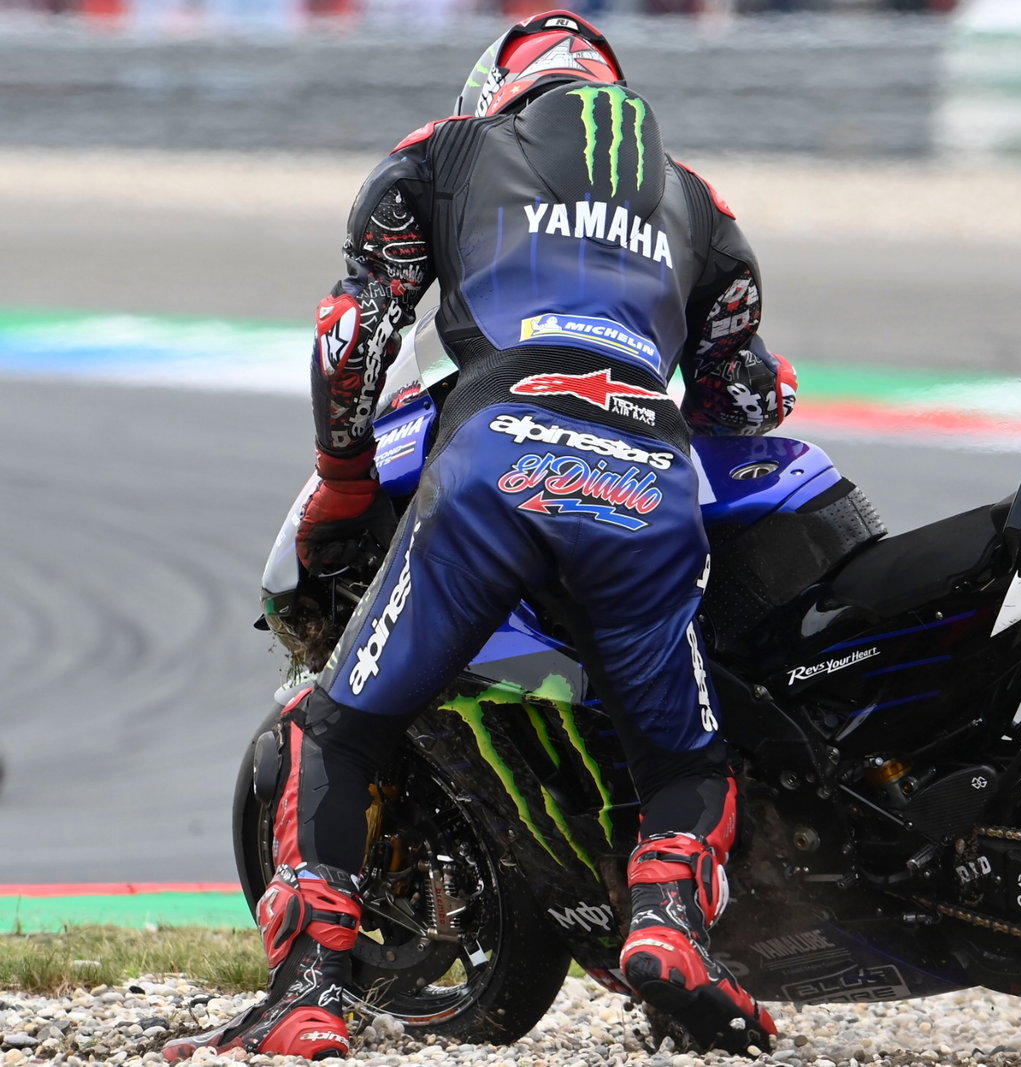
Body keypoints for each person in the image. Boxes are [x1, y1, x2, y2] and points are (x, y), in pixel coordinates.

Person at [163, 10, 794, 1061]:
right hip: (647, 471)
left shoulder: (442, 154)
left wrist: (342, 476)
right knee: (686, 754)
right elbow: (740, 396)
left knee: (342, 723)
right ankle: (669, 929)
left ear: (493, 91)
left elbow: (352, 331)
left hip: (498, 454)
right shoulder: (697, 201)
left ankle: (308, 994)